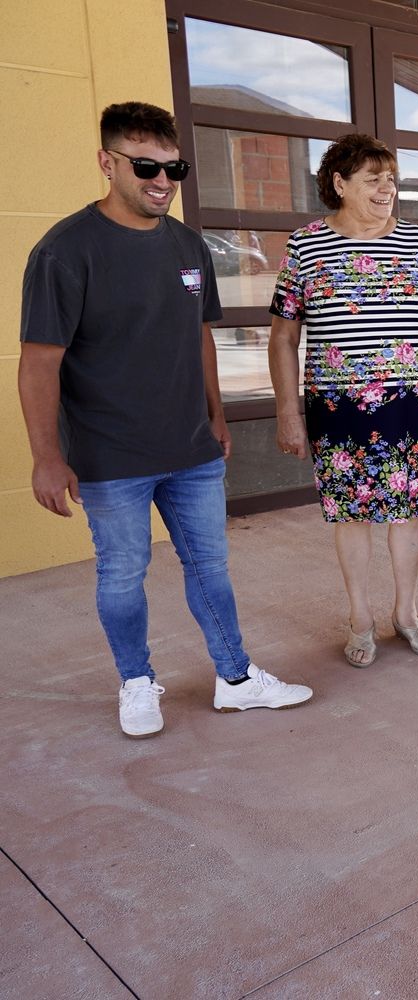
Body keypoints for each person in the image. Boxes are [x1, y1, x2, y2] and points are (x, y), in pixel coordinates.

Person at [18, 101, 312, 738]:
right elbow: (40, 364)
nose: (162, 180)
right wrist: (46, 456)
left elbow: (200, 338)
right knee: (122, 572)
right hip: (108, 454)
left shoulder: (186, 244)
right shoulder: (65, 252)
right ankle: (135, 681)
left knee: (210, 567)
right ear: (107, 163)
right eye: (145, 165)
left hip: (191, 449)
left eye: (172, 167)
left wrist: (217, 415)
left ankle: (235, 678)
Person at [268, 133, 418, 668]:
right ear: (339, 184)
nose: (388, 188)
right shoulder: (305, 246)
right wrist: (289, 411)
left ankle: (406, 614)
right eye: (373, 179)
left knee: (409, 514)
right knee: (351, 516)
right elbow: (284, 336)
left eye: (391, 178)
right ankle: (360, 618)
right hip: (339, 409)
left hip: (415, 403)